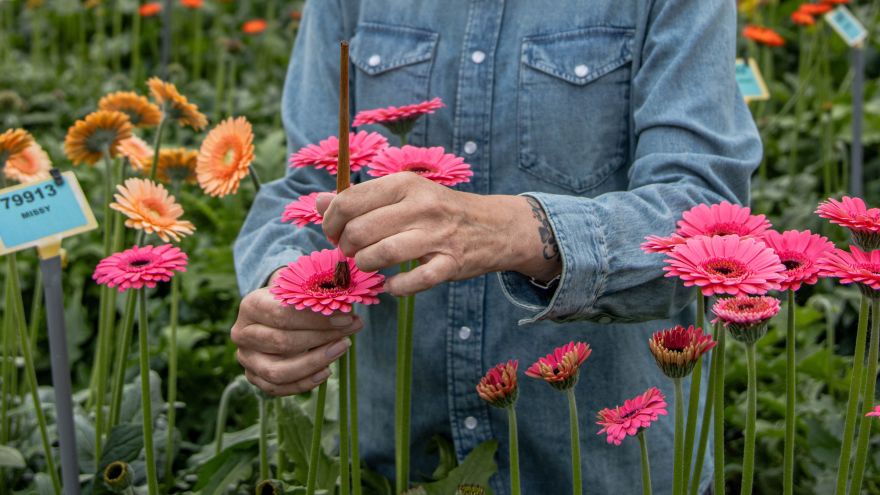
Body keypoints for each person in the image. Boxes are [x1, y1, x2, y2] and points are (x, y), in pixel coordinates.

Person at [232, 0, 761, 493]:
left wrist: (517, 229)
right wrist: (282, 289)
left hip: (606, 461)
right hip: (393, 464)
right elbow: (309, 187)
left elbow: (708, 218)